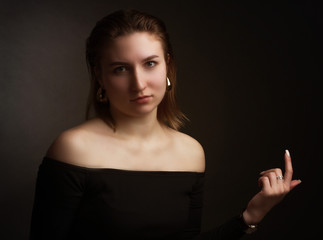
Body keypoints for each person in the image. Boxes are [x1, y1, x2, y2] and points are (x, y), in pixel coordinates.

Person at [30, 9, 301, 240]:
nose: (139, 84)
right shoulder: (74, 148)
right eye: (120, 69)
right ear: (100, 76)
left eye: (149, 63)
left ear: (167, 66)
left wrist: (252, 215)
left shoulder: (190, 153)